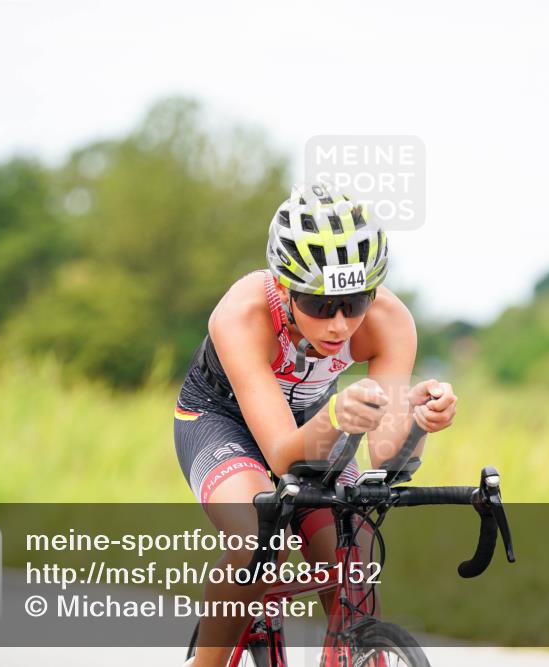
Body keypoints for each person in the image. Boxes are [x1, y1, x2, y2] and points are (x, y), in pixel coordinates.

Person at [174, 182, 458, 667]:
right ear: (285, 287)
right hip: (222, 420)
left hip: (316, 418)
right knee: (258, 541)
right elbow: (285, 455)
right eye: (321, 306)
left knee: (355, 552)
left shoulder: (390, 321)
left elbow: (385, 460)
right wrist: (334, 417)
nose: (340, 325)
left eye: (356, 302)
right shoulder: (242, 315)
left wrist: (417, 423)